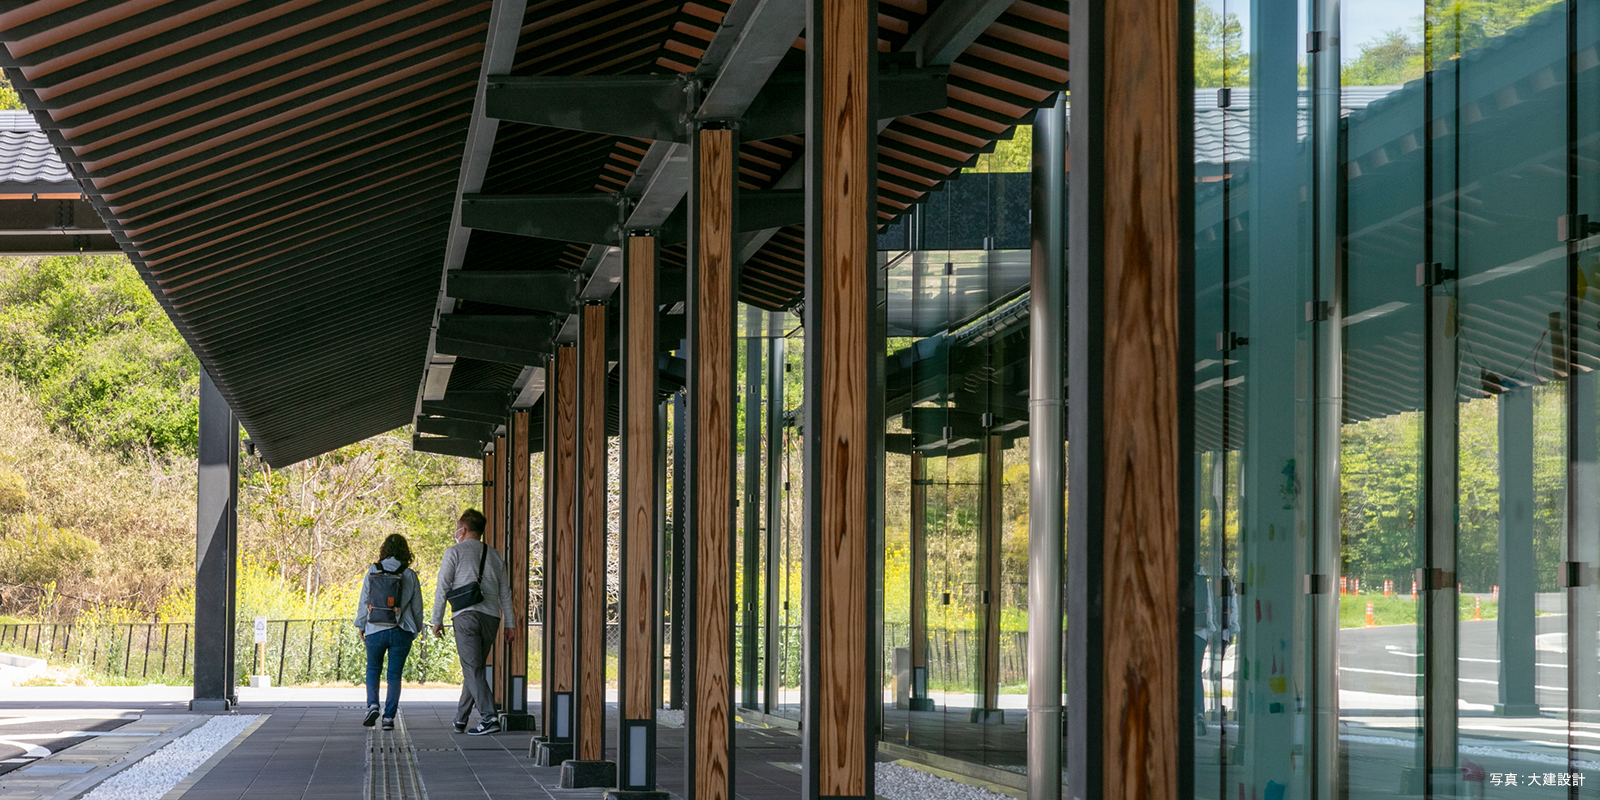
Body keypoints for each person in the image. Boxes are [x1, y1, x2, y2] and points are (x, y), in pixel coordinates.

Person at [432, 508, 515, 735]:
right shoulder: (496, 556)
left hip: (465, 616)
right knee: (474, 668)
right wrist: (510, 623)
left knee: (472, 668)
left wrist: (436, 620)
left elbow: (442, 588)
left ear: (464, 528)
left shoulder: (454, 552)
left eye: (458, 528)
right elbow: (505, 593)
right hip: (491, 617)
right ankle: (461, 718)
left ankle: (489, 718)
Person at [355, 534, 423, 731]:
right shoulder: (409, 574)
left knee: (373, 669)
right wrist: (415, 629)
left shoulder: (373, 570)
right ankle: (388, 718)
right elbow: (417, 608)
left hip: (375, 629)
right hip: (401, 630)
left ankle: (373, 705)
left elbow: (364, 601)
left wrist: (362, 625)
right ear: (405, 552)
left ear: (384, 549)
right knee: (394, 675)